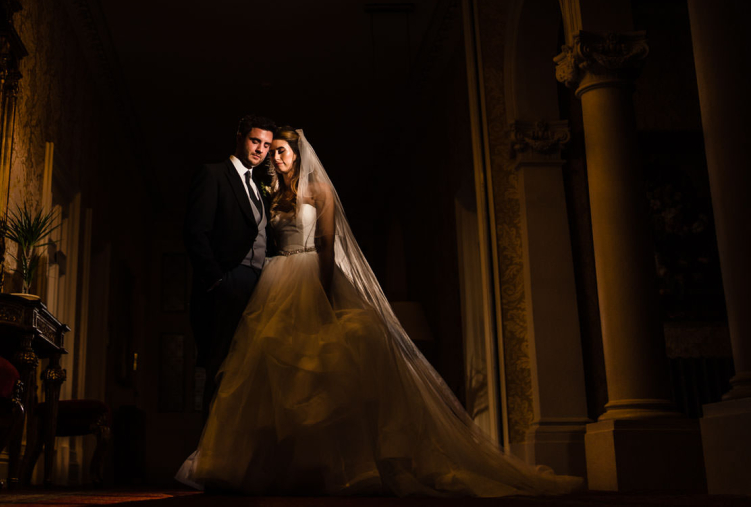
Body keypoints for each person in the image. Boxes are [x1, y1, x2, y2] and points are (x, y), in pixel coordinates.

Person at [177, 127, 583, 496]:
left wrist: (325, 292)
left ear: (298, 154)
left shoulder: (319, 191)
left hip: (307, 277)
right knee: (267, 369)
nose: (274, 157)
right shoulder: (271, 194)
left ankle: (343, 466)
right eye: (271, 151)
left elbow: (327, 243)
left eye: (281, 151)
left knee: (326, 366)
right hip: (274, 281)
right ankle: (279, 468)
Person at [183, 114, 276, 417]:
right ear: (239, 136)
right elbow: (196, 232)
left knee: (252, 370)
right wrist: (217, 282)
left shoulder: (261, 187)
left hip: (260, 287)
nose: (260, 150)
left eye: (266, 145)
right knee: (221, 368)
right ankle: (211, 453)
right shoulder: (213, 175)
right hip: (228, 283)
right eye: (254, 141)